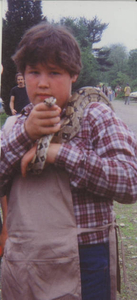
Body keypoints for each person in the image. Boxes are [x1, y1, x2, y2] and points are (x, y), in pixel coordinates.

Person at [0, 22, 137, 300]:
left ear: (74, 74)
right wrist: (27, 134)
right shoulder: (14, 125)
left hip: (86, 254)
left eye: (54, 72)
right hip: (26, 256)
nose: (42, 82)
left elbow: (129, 182)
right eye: (33, 72)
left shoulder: (96, 116)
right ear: (23, 76)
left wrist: (56, 153)